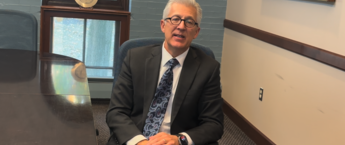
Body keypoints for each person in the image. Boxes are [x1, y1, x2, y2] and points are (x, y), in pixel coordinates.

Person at [106, 0, 224, 145]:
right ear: (163, 25)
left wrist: (179, 139)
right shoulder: (135, 58)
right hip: (137, 138)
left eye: (189, 22)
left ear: (196, 32)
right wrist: (140, 142)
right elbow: (116, 112)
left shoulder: (208, 68)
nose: (181, 26)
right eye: (175, 19)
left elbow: (214, 124)